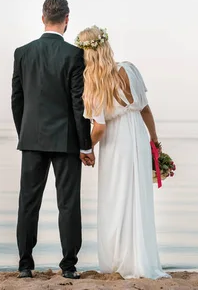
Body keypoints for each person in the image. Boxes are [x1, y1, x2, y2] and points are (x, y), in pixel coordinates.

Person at [76, 25, 170, 279]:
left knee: (116, 197)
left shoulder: (94, 83)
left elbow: (100, 127)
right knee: (137, 197)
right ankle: (141, 260)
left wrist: (86, 148)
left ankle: (119, 260)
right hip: (137, 136)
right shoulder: (129, 69)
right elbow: (146, 110)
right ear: (106, 45)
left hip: (116, 143)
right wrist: (155, 143)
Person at [11, 0, 94, 279]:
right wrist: (86, 144)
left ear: (42, 17)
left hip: (31, 138)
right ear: (67, 19)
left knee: (28, 203)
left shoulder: (22, 53)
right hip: (67, 141)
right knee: (68, 203)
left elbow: (17, 100)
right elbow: (78, 105)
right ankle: (68, 267)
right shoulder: (74, 55)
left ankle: (25, 266)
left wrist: (25, 132)